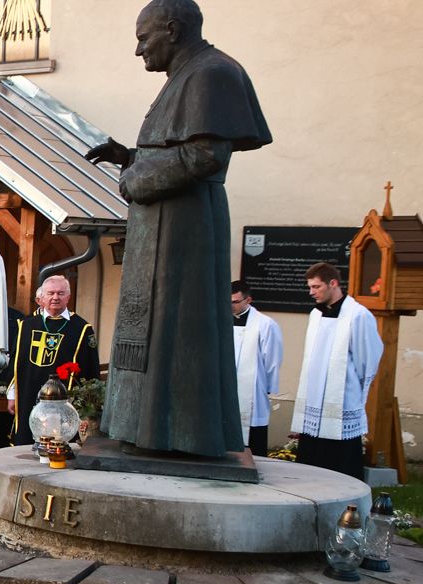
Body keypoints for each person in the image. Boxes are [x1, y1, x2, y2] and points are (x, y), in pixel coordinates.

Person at [91, 0, 271, 459]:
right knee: (149, 326)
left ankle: (174, 432)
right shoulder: (186, 75)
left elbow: (205, 156)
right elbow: (178, 149)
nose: (138, 51)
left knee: (175, 328)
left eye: (143, 38)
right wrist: (129, 157)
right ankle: (144, 428)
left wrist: (136, 178)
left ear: (171, 29)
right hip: (161, 224)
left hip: (183, 230)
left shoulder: (212, 73)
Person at [291, 262, 381, 479]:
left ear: (333, 284)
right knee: (310, 465)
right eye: (310, 287)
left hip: (342, 398)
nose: (311, 292)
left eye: (316, 287)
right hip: (314, 399)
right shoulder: (316, 315)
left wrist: (352, 388)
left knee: (339, 465)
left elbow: (367, 359)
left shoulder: (358, 315)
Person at [8, 276, 100, 445]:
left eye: (60, 293)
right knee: (26, 443)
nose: (55, 297)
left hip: (64, 401)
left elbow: (91, 370)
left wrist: (88, 408)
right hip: (28, 394)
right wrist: (12, 395)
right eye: (50, 293)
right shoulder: (25, 326)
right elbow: (15, 363)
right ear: (41, 298)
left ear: (68, 297)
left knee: (60, 444)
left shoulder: (82, 329)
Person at [230, 280, 284, 452]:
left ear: (248, 300)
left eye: (235, 302)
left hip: (253, 391)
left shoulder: (265, 324)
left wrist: (265, 388)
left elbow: (273, 360)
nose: (231, 306)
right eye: (228, 301)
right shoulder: (222, 321)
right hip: (226, 390)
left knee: (252, 439)